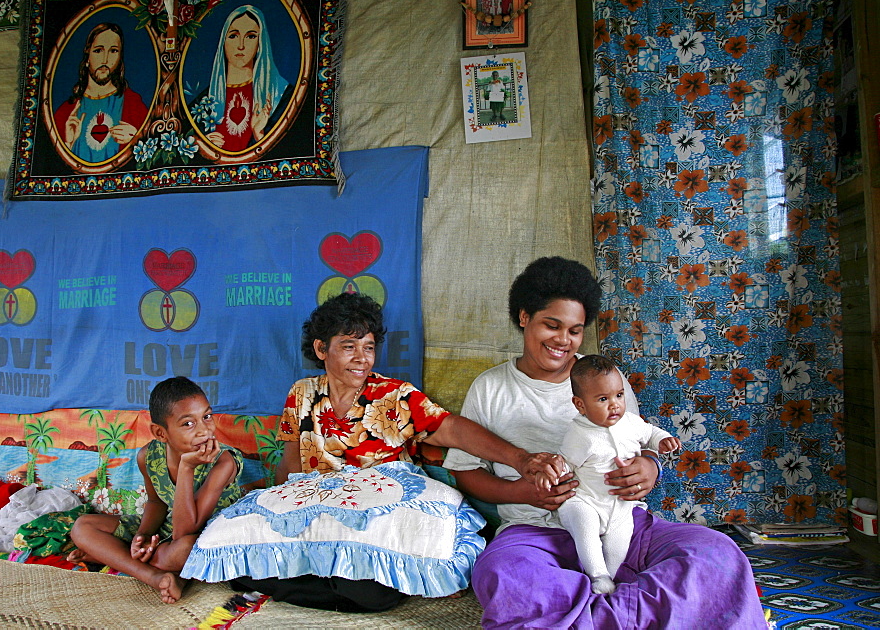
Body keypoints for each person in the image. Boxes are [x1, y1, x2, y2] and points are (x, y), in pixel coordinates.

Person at [442, 256, 766, 629]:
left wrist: (649, 467)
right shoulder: (490, 388)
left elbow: (639, 439)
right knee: (502, 574)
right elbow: (466, 475)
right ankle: (639, 612)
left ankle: (588, 614)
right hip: (537, 533)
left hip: (624, 524)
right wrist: (524, 493)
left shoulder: (607, 379)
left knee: (718, 553)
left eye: (575, 330)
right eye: (552, 325)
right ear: (523, 317)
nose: (563, 340)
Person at [231, 292, 552, 613]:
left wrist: (520, 459)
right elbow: (290, 466)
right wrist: (276, 522)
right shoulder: (301, 393)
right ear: (321, 349)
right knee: (242, 566)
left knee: (371, 595)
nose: (361, 357)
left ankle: (355, 579)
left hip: (379, 521)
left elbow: (452, 429)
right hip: (321, 517)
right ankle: (339, 576)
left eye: (368, 347)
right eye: (348, 346)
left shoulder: (393, 397)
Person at [69, 376, 245, 603]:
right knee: (83, 526)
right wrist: (142, 536)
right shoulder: (148, 456)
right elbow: (156, 503)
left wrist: (187, 468)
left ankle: (114, 557)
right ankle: (155, 576)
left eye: (207, 417)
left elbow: (185, 530)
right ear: (161, 433)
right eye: (188, 423)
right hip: (165, 531)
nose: (204, 430)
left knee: (187, 549)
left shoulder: (223, 462)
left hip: (201, 535)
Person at [548, 354, 681, 595]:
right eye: (602, 399)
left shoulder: (630, 422)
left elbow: (650, 433)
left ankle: (610, 576)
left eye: (619, 395)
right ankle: (597, 573)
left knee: (621, 536)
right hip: (586, 500)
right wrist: (557, 467)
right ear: (580, 405)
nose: (615, 405)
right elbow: (566, 462)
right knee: (584, 525)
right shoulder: (580, 434)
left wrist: (663, 440)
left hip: (620, 505)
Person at [193, 5, 291, 152]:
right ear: (223, 42)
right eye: (233, 36)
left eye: (251, 36)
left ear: (260, 43)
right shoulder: (205, 101)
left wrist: (259, 135)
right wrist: (203, 147)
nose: (241, 46)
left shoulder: (280, 94)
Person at [53, 22, 148, 163]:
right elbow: (52, 166)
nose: (105, 60)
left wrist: (136, 140)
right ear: (87, 56)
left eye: (113, 51)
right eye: (98, 50)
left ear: (120, 57)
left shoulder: (134, 105)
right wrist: (68, 144)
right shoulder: (65, 113)